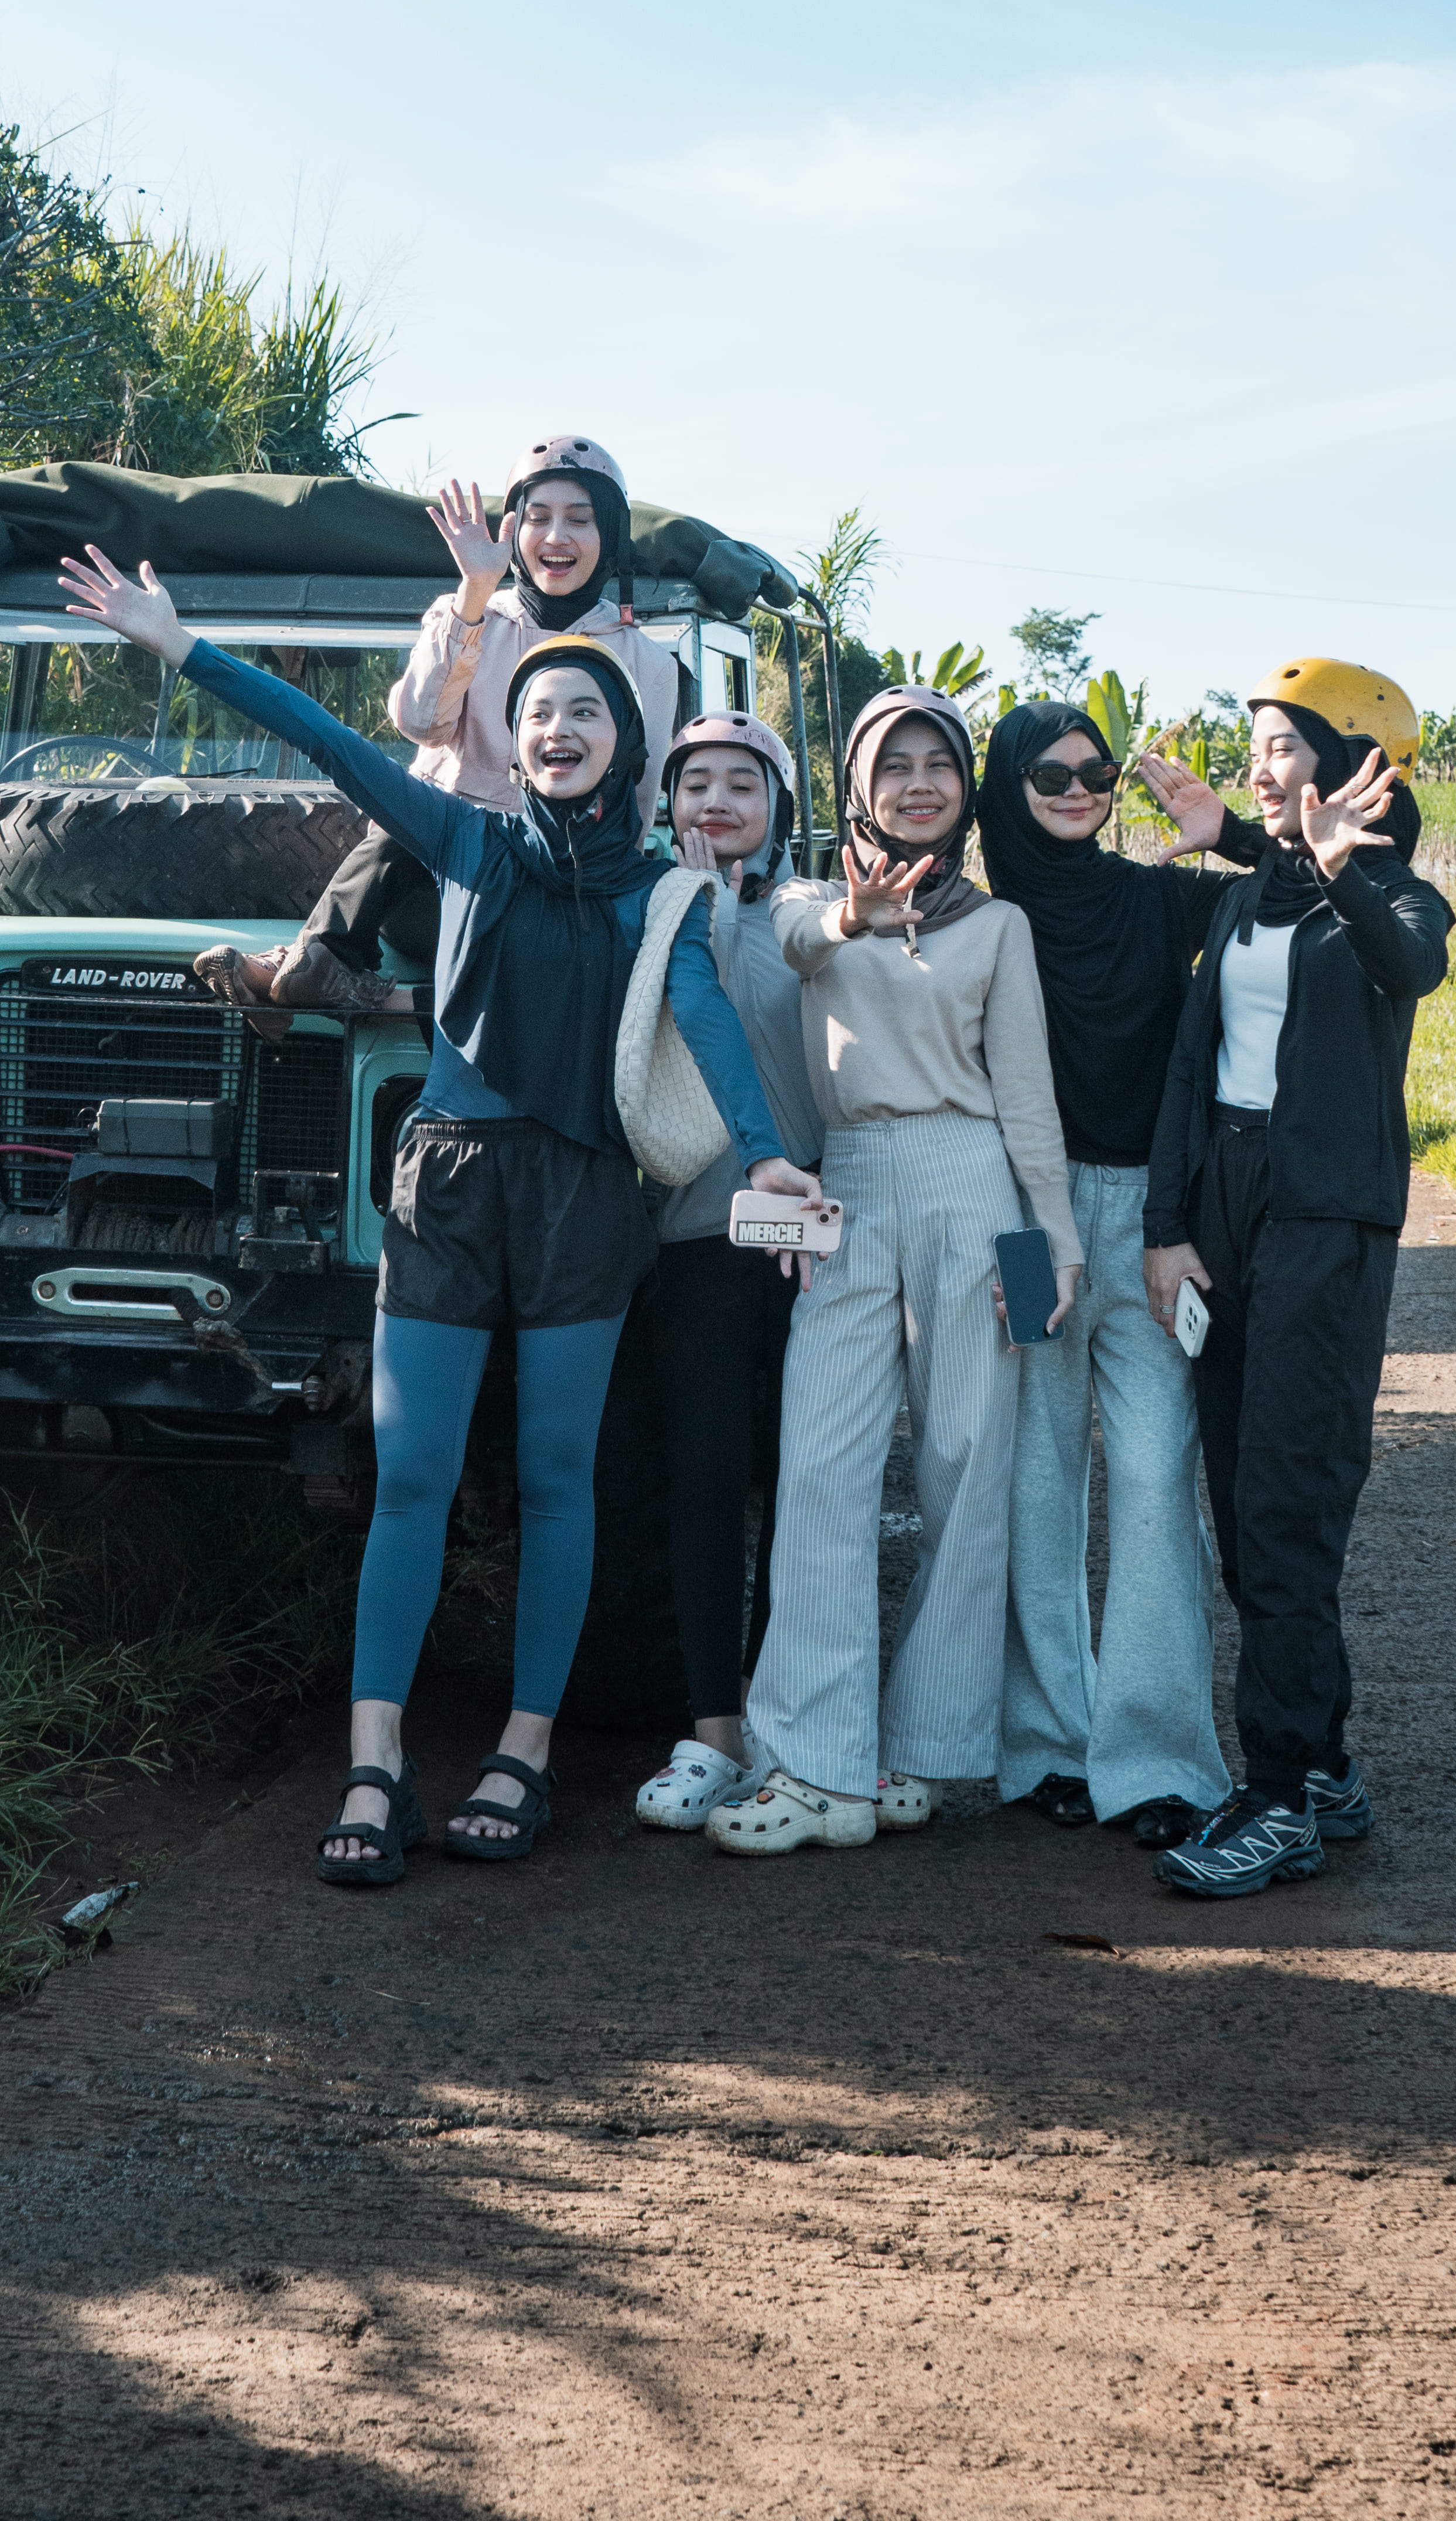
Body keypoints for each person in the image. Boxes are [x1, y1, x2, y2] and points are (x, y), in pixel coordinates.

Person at [55, 544, 821, 1889]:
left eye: (585, 710)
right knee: (409, 1473)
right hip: (451, 1180)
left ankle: (522, 1752)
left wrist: (762, 1159)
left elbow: (705, 1026)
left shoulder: (660, 896)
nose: (559, 725)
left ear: (625, 744)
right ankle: (376, 1763)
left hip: (583, 1194)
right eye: (538, 710)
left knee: (555, 1480)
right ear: (511, 743)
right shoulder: (465, 839)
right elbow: (329, 742)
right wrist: (179, 646)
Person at [708, 689, 1082, 1859]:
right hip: (852, 1180)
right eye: (894, 767)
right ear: (858, 790)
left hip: (977, 1183)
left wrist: (1054, 1244)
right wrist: (856, 916)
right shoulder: (806, 900)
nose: (918, 785)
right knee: (820, 1466)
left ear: (964, 791)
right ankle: (814, 1766)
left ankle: (925, 1748)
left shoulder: (998, 926)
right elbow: (801, 945)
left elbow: (1025, 1100)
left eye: (939, 766)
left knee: (968, 1462)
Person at [1141, 661, 1451, 1898]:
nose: (1257, 765)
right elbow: (1190, 1066)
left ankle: (1274, 1798)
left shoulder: (1395, 896)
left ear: (1348, 759)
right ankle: (1319, 1764)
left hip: (1324, 1220)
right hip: (1222, 1205)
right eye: (1256, 745)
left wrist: (1337, 868)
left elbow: (1406, 966)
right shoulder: (1245, 900)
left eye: (1279, 744)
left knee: (1286, 1503)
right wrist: (1165, 1229)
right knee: (1239, 1496)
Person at [979, 705, 1265, 1851]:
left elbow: (1321, 892)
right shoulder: (978, 918)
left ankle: (1155, 1762)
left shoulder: (1158, 899)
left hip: (1155, 1224)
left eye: (1094, 771)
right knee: (1037, 1477)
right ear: (1005, 788)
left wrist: (1228, 833)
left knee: (1154, 1479)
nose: (1075, 788)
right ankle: (1047, 1745)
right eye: (1046, 773)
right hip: (1020, 1219)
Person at [198, 435, 679, 1024]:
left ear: (611, 535)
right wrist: (474, 593)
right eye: (538, 518)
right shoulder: (468, 613)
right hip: (427, 878)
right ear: (514, 530)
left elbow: (636, 803)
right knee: (411, 814)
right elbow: (421, 725)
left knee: (543, 978)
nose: (556, 537)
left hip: (551, 886)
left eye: (580, 520)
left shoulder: (646, 662)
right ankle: (318, 961)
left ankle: (333, 981)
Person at [633, 712, 823, 1833]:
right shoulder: (655, 914)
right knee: (704, 1481)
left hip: (814, 1241)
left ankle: (782, 1719)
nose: (716, 801)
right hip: (695, 1239)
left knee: (803, 1484)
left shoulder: (810, 911)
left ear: (778, 805)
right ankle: (713, 1732)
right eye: (694, 781)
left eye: (742, 784)